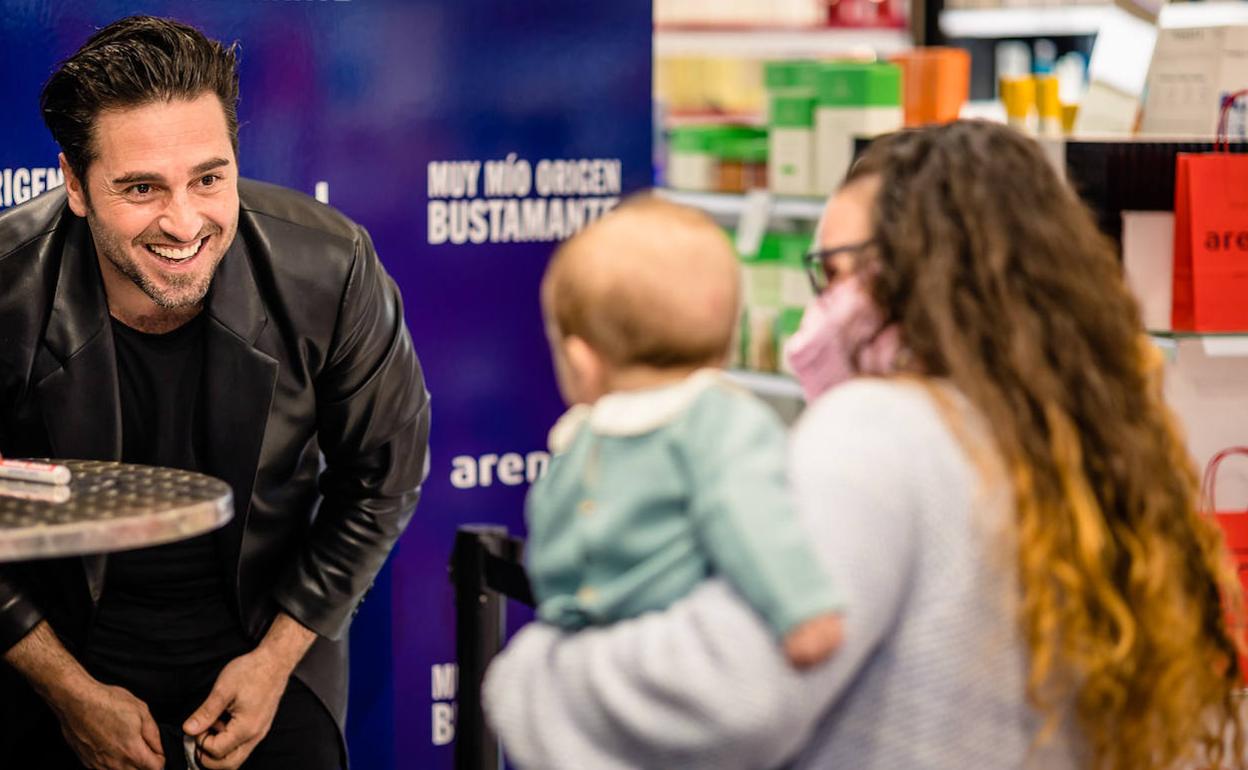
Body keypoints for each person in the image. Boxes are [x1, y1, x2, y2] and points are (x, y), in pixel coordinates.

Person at [484, 120, 1247, 770]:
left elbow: (736, 685)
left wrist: (530, 679)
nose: (819, 314)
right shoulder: (1078, 449)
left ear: (926, 274)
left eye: (836, 273)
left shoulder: (881, 434)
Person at [0, 15, 430, 770]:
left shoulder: (329, 266)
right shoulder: (8, 284)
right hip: (48, 648)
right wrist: (65, 688)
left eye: (209, 177)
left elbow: (384, 475)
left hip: (265, 641)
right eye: (141, 188)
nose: (185, 221)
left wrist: (273, 665)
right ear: (74, 184)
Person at [527, 196, 845, 669]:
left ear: (581, 364)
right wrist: (804, 612)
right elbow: (755, 522)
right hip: (690, 664)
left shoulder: (580, 439)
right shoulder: (724, 422)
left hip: (586, 659)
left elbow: (551, 553)